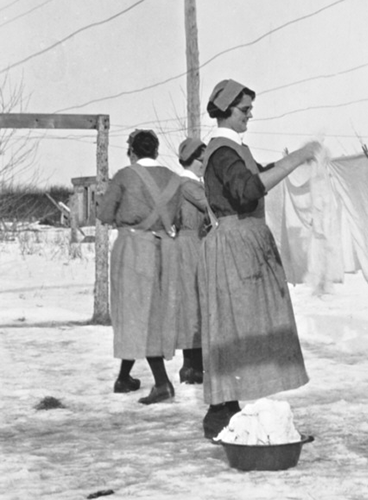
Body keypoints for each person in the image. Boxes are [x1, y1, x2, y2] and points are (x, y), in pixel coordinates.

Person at [198, 79, 322, 438]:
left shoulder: (234, 150)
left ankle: (226, 411)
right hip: (236, 244)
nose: (249, 115)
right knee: (239, 325)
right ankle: (221, 412)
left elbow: (253, 177)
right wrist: (296, 157)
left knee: (243, 325)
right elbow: (249, 189)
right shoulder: (223, 152)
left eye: (250, 108)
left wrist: (289, 164)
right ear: (226, 111)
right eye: (244, 110)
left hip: (243, 241)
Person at [97, 129, 183, 405]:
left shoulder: (124, 176)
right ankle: (124, 377)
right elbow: (178, 218)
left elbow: (104, 215)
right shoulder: (174, 179)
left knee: (134, 313)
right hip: (165, 250)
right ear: (157, 151)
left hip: (132, 249)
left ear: (132, 152)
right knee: (152, 312)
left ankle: (162, 383)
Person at [174, 137, 209, 385]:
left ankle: (194, 364)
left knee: (193, 303)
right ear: (191, 161)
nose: (204, 164)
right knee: (194, 303)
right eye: (201, 159)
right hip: (191, 245)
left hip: (191, 243)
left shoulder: (185, 184)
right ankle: (192, 365)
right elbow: (212, 205)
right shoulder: (189, 185)